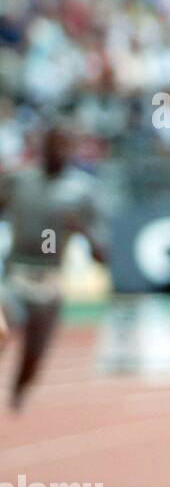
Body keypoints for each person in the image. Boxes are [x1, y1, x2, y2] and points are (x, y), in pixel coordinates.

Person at [0, 125, 108, 411]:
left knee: (33, 357)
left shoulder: (83, 191)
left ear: (72, 150)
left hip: (50, 281)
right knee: (2, 328)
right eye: (52, 145)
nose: (57, 152)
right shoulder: (19, 181)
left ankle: (18, 393)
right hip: (15, 274)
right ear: (42, 147)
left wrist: (82, 230)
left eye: (64, 146)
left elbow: (103, 255)